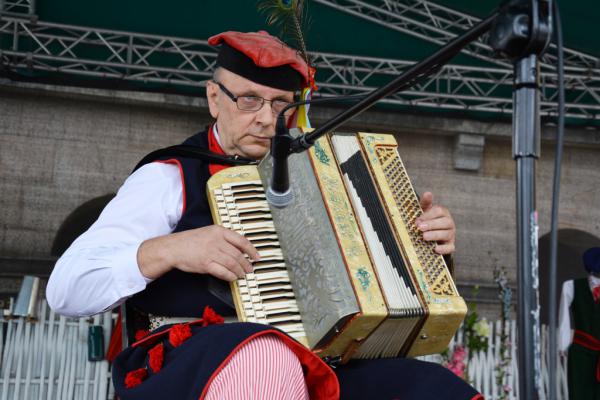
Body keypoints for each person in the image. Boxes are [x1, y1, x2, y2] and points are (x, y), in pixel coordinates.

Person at [47, 30, 481, 400]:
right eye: (250, 99)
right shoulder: (169, 176)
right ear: (214, 98)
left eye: (281, 105)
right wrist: (169, 249)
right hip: (195, 361)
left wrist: (426, 247)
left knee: (429, 387)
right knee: (264, 355)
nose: (266, 119)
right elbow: (67, 291)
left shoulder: (324, 175)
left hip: (317, 356)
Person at [558, 247, 600, 400]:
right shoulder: (571, 286)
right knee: (580, 394)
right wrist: (563, 344)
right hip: (581, 353)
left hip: (583, 351)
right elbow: (564, 318)